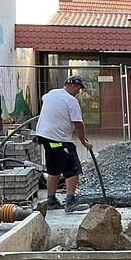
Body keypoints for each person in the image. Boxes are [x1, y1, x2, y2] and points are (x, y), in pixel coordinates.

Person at [35, 76, 93, 213]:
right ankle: (70, 202)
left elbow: (44, 98)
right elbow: (78, 124)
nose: (79, 92)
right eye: (78, 88)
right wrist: (84, 142)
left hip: (46, 139)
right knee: (73, 169)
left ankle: (51, 200)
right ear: (73, 86)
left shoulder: (51, 94)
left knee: (54, 169)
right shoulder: (71, 101)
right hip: (59, 140)